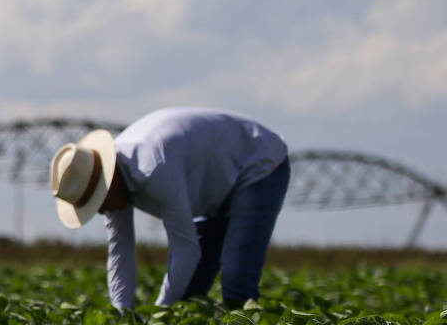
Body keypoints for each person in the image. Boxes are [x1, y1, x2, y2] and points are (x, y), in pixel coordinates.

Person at [50, 108, 290, 311]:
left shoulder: (153, 169)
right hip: (218, 182)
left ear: (108, 182)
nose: (101, 211)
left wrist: (161, 312)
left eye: (98, 202)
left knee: (237, 278)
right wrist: (122, 314)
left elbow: (185, 249)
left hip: (258, 163)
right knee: (188, 294)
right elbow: (120, 253)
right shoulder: (113, 183)